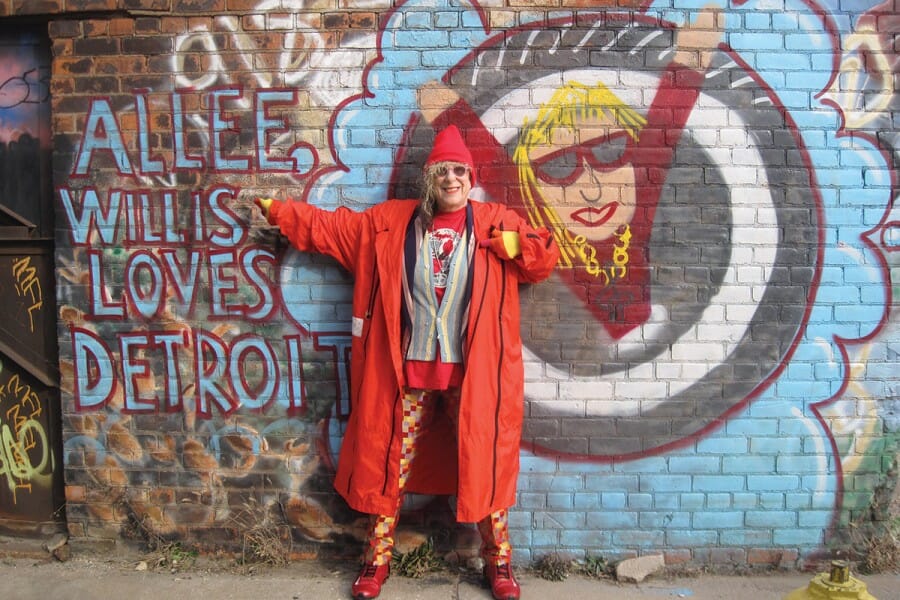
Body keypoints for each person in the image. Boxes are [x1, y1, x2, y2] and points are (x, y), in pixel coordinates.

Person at [255, 124, 560, 600]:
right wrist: (282, 212)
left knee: (485, 465)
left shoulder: (496, 221)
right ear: (429, 178)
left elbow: (543, 259)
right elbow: (332, 229)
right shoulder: (391, 224)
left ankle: (498, 562)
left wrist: (514, 246)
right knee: (388, 464)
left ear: (471, 176)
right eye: (443, 171)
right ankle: (376, 561)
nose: (452, 178)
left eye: (460, 170)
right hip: (408, 375)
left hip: (474, 378)